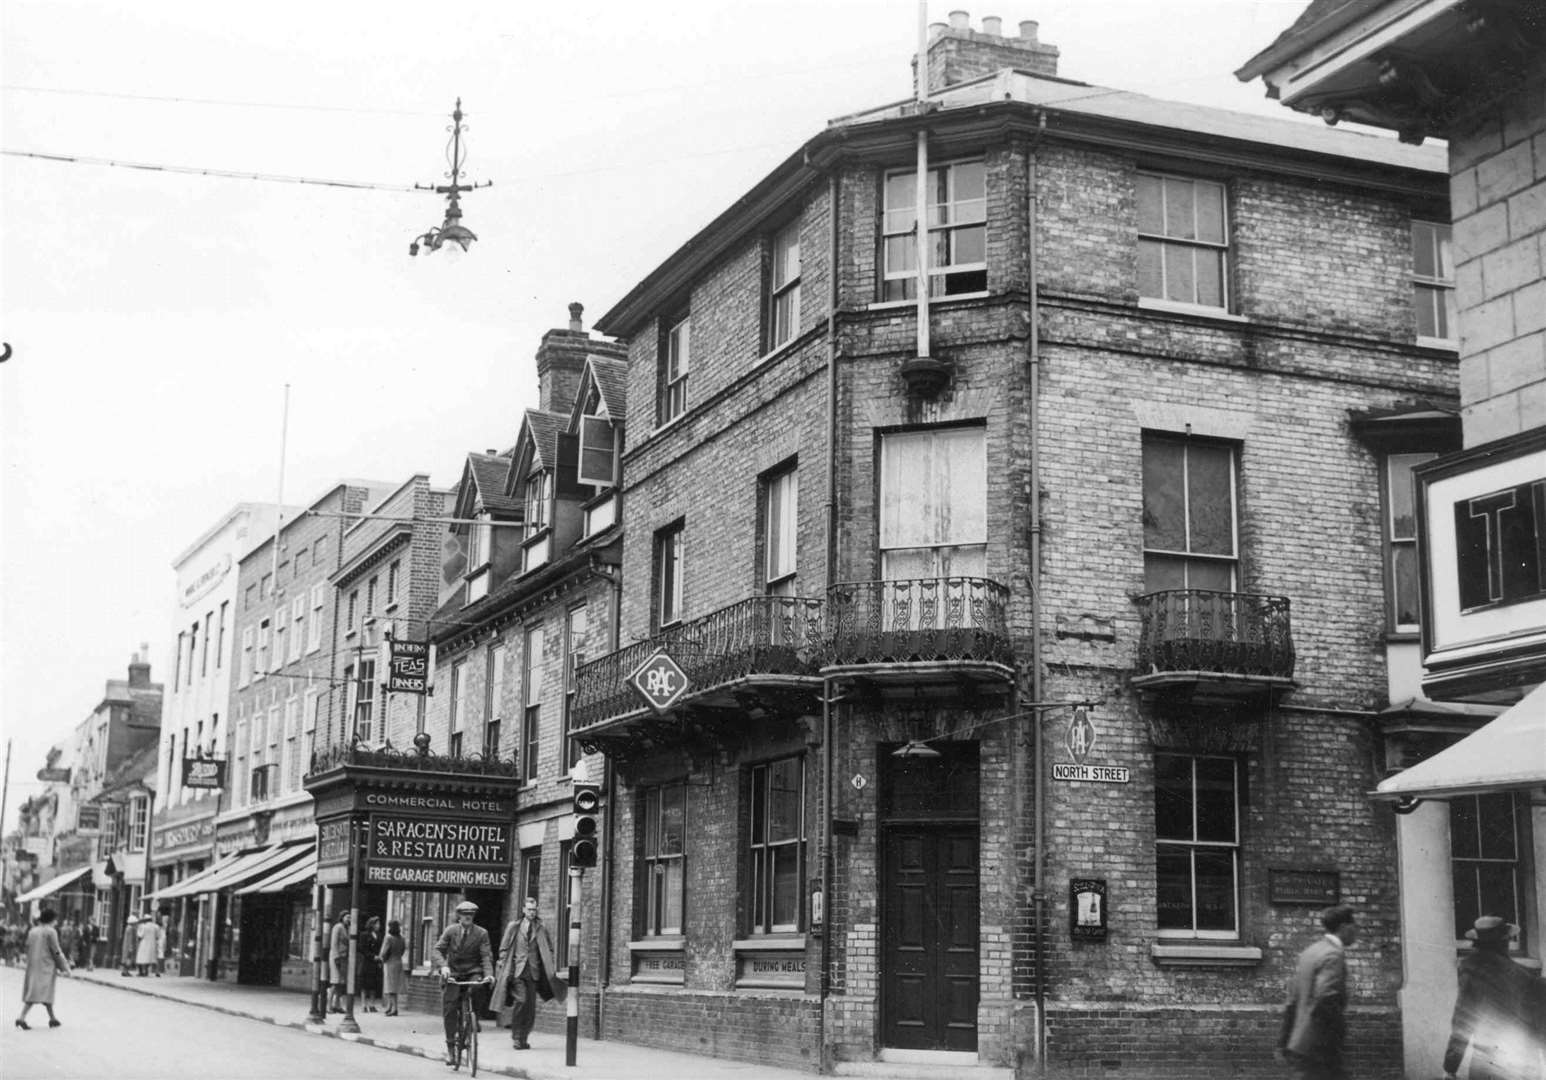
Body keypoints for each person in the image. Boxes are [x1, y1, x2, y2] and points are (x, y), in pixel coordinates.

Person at [1443, 916, 1546, 1080]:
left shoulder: (1472, 972)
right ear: (1505, 943)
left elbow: (1462, 1023)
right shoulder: (1530, 979)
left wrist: (1450, 1067)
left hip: (1486, 1063)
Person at [1278, 904, 1358, 1080]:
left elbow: (1292, 1000)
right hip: (1320, 1047)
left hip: (1300, 1044)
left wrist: (1284, 1040)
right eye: (1354, 927)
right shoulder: (1333, 955)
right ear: (1344, 927)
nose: (1356, 932)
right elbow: (1325, 999)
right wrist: (1335, 1039)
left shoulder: (1310, 952)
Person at [491, 896, 566, 1051]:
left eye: (534, 909)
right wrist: (505, 966)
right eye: (529, 909)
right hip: (517, 972)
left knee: (530, 1007)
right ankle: (517, 1037)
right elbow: (504, 948)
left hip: (533, 972)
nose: (532, 912)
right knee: (521, 1001)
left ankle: (524, 1038)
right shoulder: (514, 926)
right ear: (524, 910)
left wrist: (546, 963)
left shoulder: (541, 928)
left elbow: (549, 948)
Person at [433, 900, 494, 1067]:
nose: (468, 918)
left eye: (471, 915)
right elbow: (438, 950)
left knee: (479, 986)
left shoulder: (481, 933)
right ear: (459, 916)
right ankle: (451, 1048)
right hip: (452, 972)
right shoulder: (451, 931)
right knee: (450, 1008)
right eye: (465, 915)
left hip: (472, 970)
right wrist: (444, 967)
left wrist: (489, 975)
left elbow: (486, 956)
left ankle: (472, 1018)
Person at [15, 908, 72, 1030]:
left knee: (44, 993)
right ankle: (21, 1018)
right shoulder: (51, 932)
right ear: (51, 920)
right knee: (38, 992)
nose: (56, 922)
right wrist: (65, 967)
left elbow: (27, 947)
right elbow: (56, 951)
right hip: (46, 966)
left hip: (33, 965)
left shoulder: (33, 931)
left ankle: (52, 1018)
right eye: (55, 919)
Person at [378, 918, 407, 1017]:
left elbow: (383, 952)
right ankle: (390, 1007)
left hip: (390, 963)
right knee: (395, 986)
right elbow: (403, 950)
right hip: (398, 962)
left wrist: (382, 958)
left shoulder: (388, 938)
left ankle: (394, 1009)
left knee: (390, 987)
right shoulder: (401, 938)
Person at [326, 911, 351, 1014]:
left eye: (350, 917)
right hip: (337, 957)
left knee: (341, 983)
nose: (348, 919)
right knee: (335, 982)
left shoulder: (348, 929)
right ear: (342, 917)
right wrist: (336, 957)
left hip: (344, 958)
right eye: (347, 917)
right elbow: (334, 943)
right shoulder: (338, 927)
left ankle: (337, 1005)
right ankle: (328, 1006)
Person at [359, 915, 382, 1012]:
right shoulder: (364, 935)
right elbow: (362, 949)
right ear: (372, 924)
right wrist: (372, 956)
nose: (379, 925)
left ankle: (372, 1005)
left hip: (376, 963)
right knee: (365, 985)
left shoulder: (379, 936)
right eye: (377, 923)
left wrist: (380, 958)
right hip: (367, 962)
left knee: (374, 985)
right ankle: (364, 1005)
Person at [134, 911, 161, 976]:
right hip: (153, 944)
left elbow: (140, 935)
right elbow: (158, 936)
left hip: (144, 943)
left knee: (141, 958)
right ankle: (157, 972)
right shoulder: (156, 926)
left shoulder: (143, 926)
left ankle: (142, 972)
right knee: (152, 958)